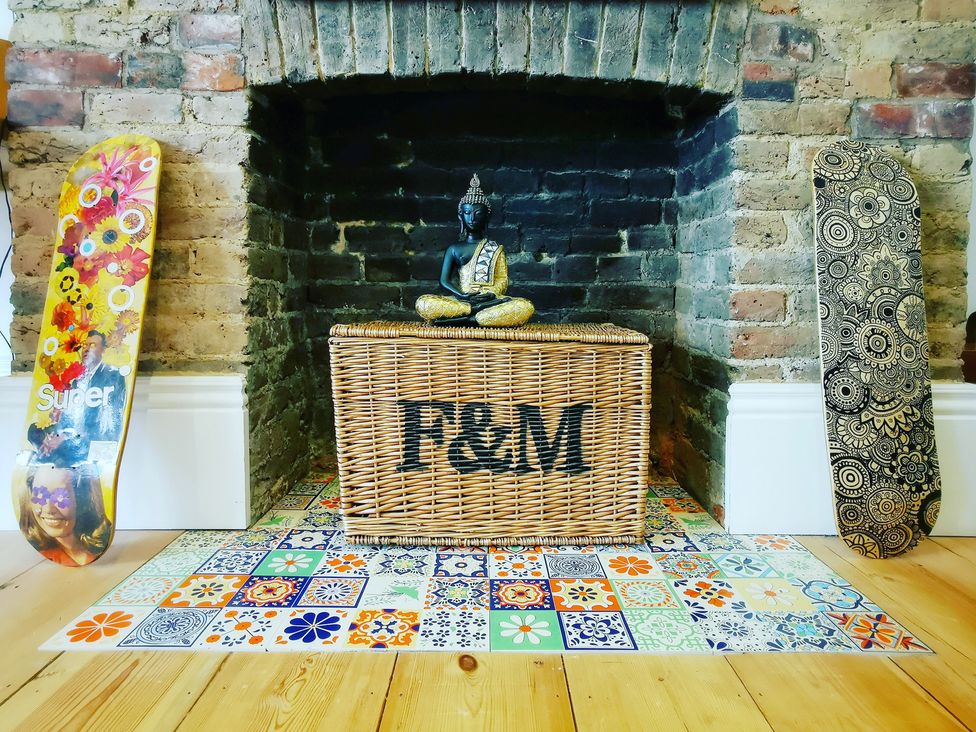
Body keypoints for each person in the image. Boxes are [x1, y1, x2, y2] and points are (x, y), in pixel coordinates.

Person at [415, 174, 535, 327]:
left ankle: (463, 319)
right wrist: (462, 295)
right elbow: (444, 281)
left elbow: (502, 279)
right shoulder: (454, 249)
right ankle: (475, 314)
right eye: (467, 213)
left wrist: (491, 294)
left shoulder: (495, 248)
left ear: (487, 217)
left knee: (525, 306)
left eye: (478, 213)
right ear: (461, 217)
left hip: (491, 301)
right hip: (463, 300)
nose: (472, 218)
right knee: (424, 303)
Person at [18, 463, 112, 566]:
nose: (48, 509)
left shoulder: (98, 548)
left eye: (61, 496)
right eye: (40, 494)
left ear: (83, 500)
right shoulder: (38, 557)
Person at [76, 331, 127, 442]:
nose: (87, 349)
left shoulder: (113, 375)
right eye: (85, 345)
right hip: (78, 443)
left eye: (93, 345)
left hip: (100, 441)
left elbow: (115, 416)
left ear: (103, 350)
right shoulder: (76, 379)